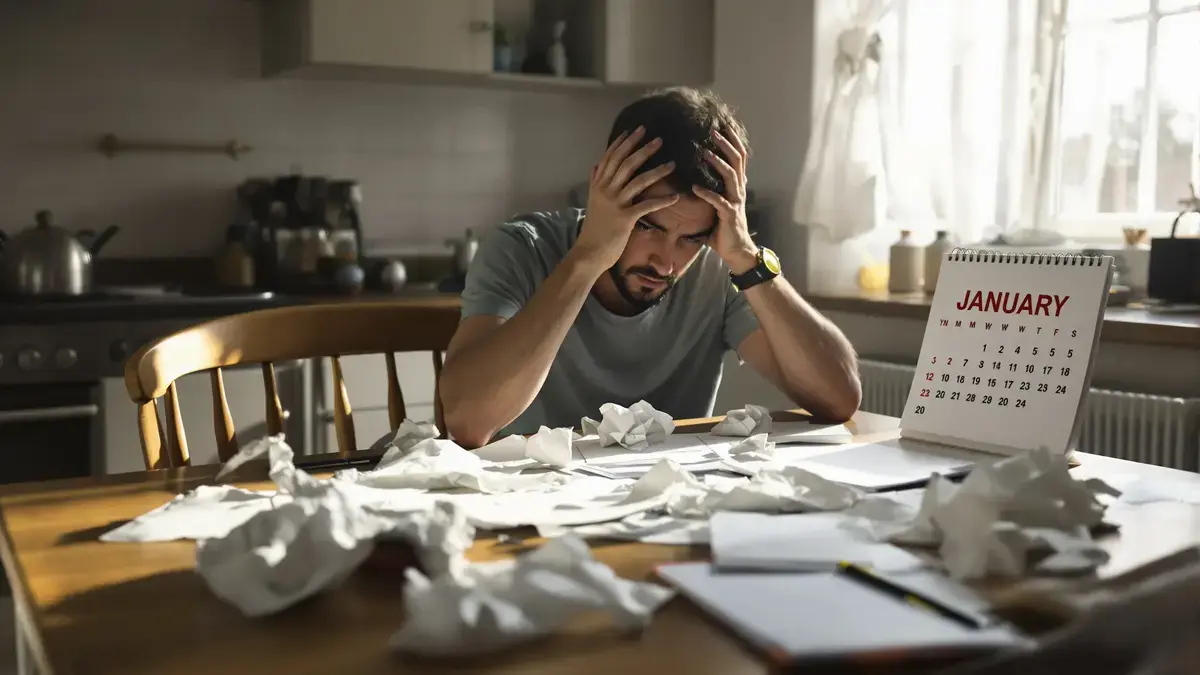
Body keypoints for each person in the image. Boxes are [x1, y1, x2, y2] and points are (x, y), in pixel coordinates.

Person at [439, 87, 860, 448]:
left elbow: (839, 399)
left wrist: (748, 257)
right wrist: (587, 258)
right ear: (604, 191)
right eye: (646, 225)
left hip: (668, 501)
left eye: (690, 238)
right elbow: (468, 423)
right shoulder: (522, 249)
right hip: (530, 498)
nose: (665, 261)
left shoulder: (721, 268)